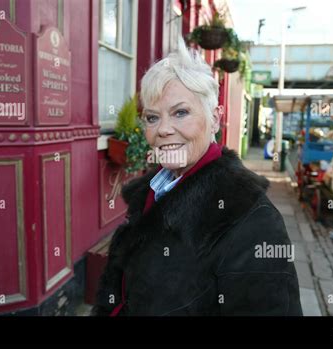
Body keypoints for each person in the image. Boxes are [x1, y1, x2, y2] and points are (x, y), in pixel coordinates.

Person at [92, 39, 302, 316]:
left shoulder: (252, 217)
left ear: (214, 119)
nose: (163, 130)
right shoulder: (154, 191)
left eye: (180, 113)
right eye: (152, 118)